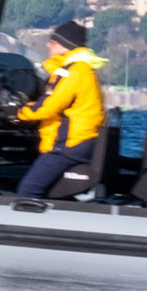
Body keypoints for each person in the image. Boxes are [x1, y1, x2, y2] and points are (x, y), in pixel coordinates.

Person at [14, 20, 107, 198]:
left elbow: (50, 106)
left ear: (65, 46)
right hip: (83, 141)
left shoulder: (75, 71)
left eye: (53, 42)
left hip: (71, 144)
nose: (48, 45)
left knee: (29, 189)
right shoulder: (82, 69)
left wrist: (19, 113)